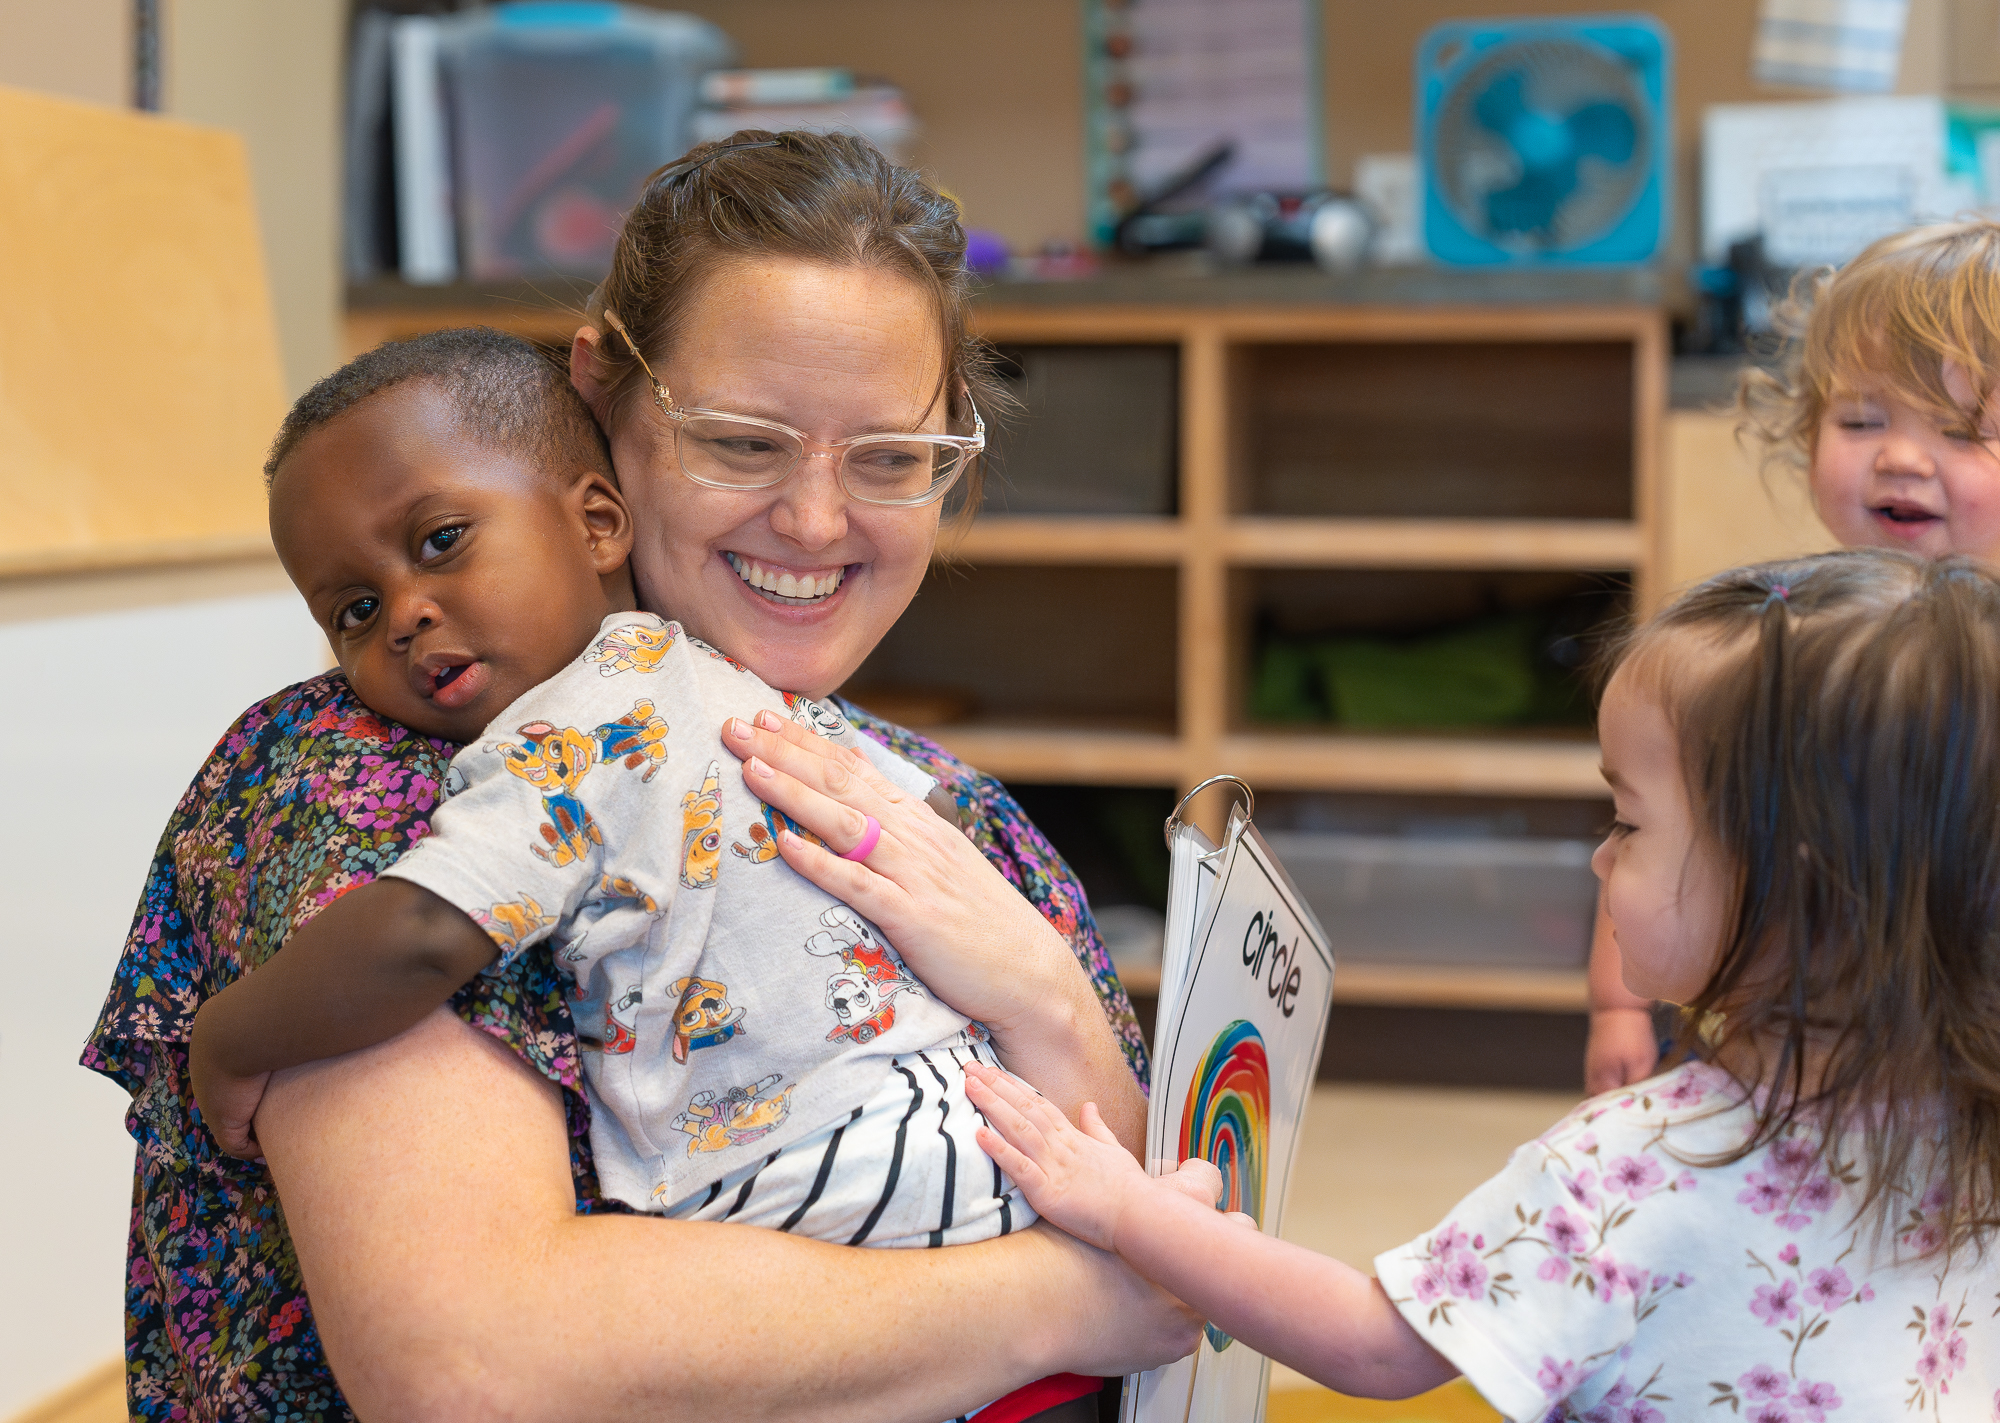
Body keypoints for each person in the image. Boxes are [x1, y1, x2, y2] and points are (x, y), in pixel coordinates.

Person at [83, 132, 1198, 1423]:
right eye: (742, 441)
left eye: (891, 459)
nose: (819, 521)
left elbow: (1147, 1212)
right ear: (606, 397)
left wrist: (1046, 993)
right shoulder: (362, 785)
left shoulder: (929, 801)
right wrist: (1057, 1299)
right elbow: (473, 1359)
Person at [971, 548, 2000, 1419]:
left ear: (1793, 889)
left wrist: (1127, 1211)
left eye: (1628, 825)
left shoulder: (1637, 1163)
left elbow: (1378, 1344)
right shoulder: (1970, 1115)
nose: (1598, 862)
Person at [192, 325, 1043, 1270]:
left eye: (441, 541)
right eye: (353, 609)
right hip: (965, 1110)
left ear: (597, 524)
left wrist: (230, 1037)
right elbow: (936, 831)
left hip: (829, 1160)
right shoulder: (721, 677)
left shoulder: (575, 728)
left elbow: (421, 935)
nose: (405, 614)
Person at [1586, 216, 2000, 1092]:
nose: (1897, 455)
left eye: (1963, 431)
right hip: (1780, 1068)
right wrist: (1618, 1006)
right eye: (1859, 417)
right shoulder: (1777, 643)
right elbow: (1648, 821)